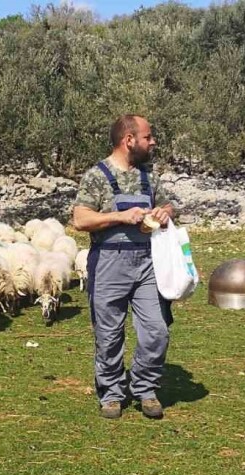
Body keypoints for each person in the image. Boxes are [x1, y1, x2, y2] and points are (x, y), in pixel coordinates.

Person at [72, 114, 175, 420]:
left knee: (156, 331)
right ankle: (112, 394)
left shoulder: (149, 176)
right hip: (109, 263)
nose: (153, 142)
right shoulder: (96, 176)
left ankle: (145, 387)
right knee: (109, 334)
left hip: (147, 263)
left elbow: (168, 205)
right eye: (147, 137)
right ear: (129, 140)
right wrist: (120, 216)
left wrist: (165, 213)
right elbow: (80, 219)